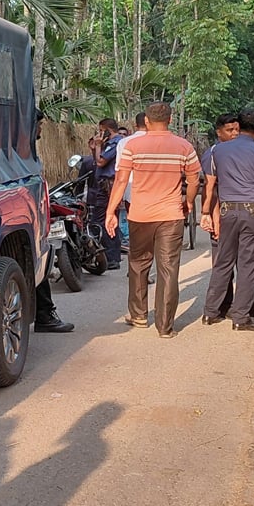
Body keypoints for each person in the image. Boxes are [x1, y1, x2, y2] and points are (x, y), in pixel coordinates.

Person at [105, 102, 200, 338]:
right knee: (168, 269)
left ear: (146, 121)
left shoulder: (132, 146)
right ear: (170, 119)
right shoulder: (184, 146)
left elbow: (120, 181)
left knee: (138, 264)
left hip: (140, 214)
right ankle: (165, 327)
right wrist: (188, 202)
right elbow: (194, 180)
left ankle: (138, 315)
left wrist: (111, 211)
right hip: (171, 215)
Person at [200, 109, 254, 331]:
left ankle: (210, 312)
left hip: (227, 212)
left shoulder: (217, 151)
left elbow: (210, 186)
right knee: (248, 266)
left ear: (239, 126)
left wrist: (207, 213)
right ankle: (240, 317)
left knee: (223, 262)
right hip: (253, 213)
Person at [201, 113, 254, 321]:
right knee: (226, 262)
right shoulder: (214, 153)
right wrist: (210, 215)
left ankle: (245, 305)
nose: (235, 133)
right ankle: (222, 307)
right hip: (223, 213)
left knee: (243, 262)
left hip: (234, 212)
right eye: (230, 130)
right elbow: (210, 189)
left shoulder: (244, 151)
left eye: (237, 129)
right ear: (218, 132)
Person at [32, 110, 74, 332]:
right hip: (29, 218)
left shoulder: (22, 152)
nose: (40, 129)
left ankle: (43, 313)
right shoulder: (20, 155)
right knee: (37, 265)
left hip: (33, 215)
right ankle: (44, 314)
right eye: (38, 125)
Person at [89, 118, 123, 270]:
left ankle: (111, 257)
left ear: (108, 130)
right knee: (108, 220)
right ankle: (112, 256)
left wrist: (97, 146)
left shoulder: (115, 143)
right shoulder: (111, 143)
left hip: (107, 187)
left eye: (101, 130)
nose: (100, 134)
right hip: (105, 186)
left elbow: (101, 162)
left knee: (103, 221)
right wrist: (95, 148)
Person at [115, 113, 147, 247]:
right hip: (155, 190)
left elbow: (119, 173)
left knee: (134, 221)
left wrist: (117, 197)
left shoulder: (124, 142)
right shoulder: (161, 141)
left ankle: (137, 245)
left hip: (130, 189)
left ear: (135, 126)